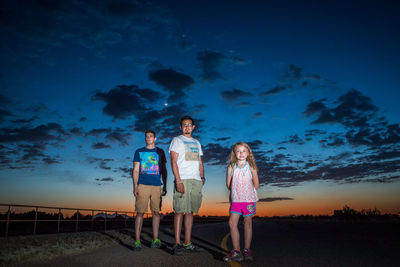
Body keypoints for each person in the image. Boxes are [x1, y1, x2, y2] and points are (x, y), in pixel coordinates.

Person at [169, 116, 205, 255]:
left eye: (189, 125)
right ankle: (177, 244)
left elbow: (200, 162)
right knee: (179, 211)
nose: (187, 127)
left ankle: (187, 243)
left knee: (190, 212)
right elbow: (173, 161)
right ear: (181, 127)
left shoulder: (197, 142)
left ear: (193, 127)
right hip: (183, 179)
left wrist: (202, 177)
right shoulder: (177, 140)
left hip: (195, 180)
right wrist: (178, 180)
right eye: (184, 125)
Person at [223, 142, 259, 262]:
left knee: (247, 222)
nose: (241, 153)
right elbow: (228, 184)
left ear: (248, 153)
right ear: (234, 153)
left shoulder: (251, 166)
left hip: (248, 200)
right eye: (238, 151)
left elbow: (256, 184)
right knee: (232, 223)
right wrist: (236, 191)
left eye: (244, 151)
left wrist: (248, 190)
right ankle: (236, 251)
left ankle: (247, 250)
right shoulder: (231, 167)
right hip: (236, 199)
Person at [132, 130, 167, 251]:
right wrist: (135, 186)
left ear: (155, 138)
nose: (148, 138)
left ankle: (155, 239)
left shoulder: (160, 152)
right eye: (147, 136)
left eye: (151, 136)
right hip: (142, 185)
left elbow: (163, 169)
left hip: (156, 186)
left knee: (156, 213)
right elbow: (136, 170)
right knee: (140, 213)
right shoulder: (139, 151)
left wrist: (165, 186)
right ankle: (137, 241)